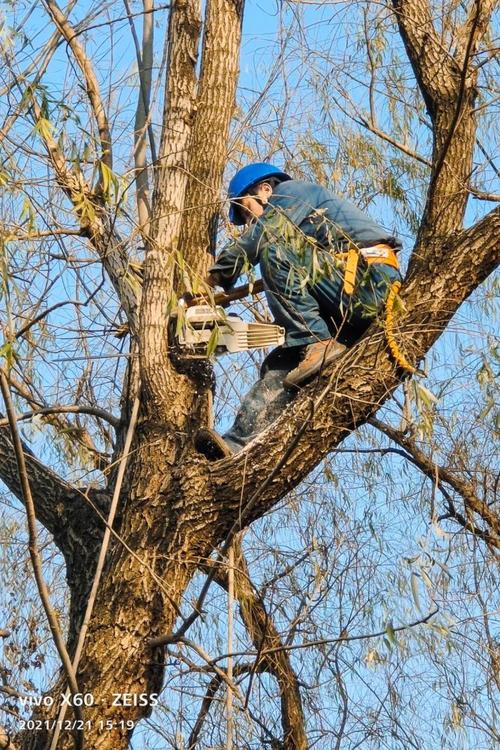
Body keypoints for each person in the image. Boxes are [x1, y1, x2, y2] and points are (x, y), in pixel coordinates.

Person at [195, 163, 402, 459]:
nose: (249, 220)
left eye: (246, 210)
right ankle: (238, 443)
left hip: (370, 284)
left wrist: (214, 277)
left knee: (274, 250)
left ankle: (316, 340)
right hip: (340, 303)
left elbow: (264, 237)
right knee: (284, 363)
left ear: (265, 190)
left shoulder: (291, 193)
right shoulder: (298, 222)